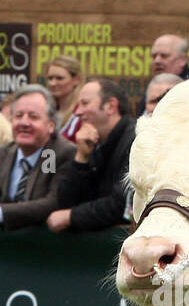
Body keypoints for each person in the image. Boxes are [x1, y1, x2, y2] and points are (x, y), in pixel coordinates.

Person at [50, 77, 135, 232]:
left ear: (110, 106)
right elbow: (66, 202)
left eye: (85, 103)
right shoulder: (93, 144)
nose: (77, 112)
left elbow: (122, 206)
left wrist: (72, 216)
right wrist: (81, 157)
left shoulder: (136, 141)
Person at [0, 85, 76, 231]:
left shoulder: (57, 153)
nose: (24, 123)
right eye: (18, 116)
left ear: (51, 126)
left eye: (33, 117)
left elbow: (51, 203)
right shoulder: (4, 153)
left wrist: (2, 212)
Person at [140, 34, 189, 115]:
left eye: (164, 56)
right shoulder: (154, 85)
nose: (157, 61)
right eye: (154, 56)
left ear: (183, 60)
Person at [43, 55, 83, 138]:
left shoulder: (82, 113)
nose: (52, 83)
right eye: (50, 78)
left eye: (59, 78)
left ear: (76, 80)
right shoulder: (46, 110)